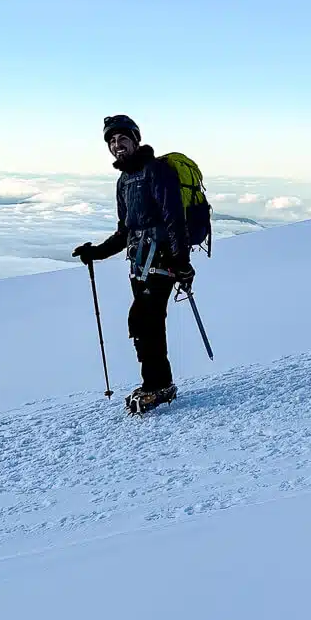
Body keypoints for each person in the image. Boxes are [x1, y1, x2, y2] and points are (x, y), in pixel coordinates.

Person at [73, 114, 194, 414]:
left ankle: (157, 384)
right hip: (139, 263)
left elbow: (175, 219)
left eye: (122, 139)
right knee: (147, 322)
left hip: (163, 261)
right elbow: (124, 231)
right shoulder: (123, 181)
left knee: (142, 319)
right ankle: (158, 381)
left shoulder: (157, 171)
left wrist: (182, 264)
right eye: (111, 141)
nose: (117, 145)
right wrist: (96, 253)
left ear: (135, 140)